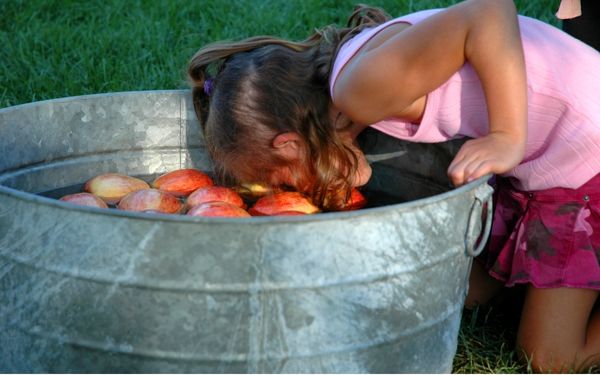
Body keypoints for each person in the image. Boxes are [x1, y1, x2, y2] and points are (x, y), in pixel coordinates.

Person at [188, 0, 600, 371]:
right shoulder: (348, 88)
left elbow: (489, 11)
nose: (293, 194)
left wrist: (506, 134)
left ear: (290, 144)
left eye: (280, 181)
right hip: (547, 156)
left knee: (550, 358)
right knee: (459, 293)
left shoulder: (359, 92)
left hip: (584, 154)